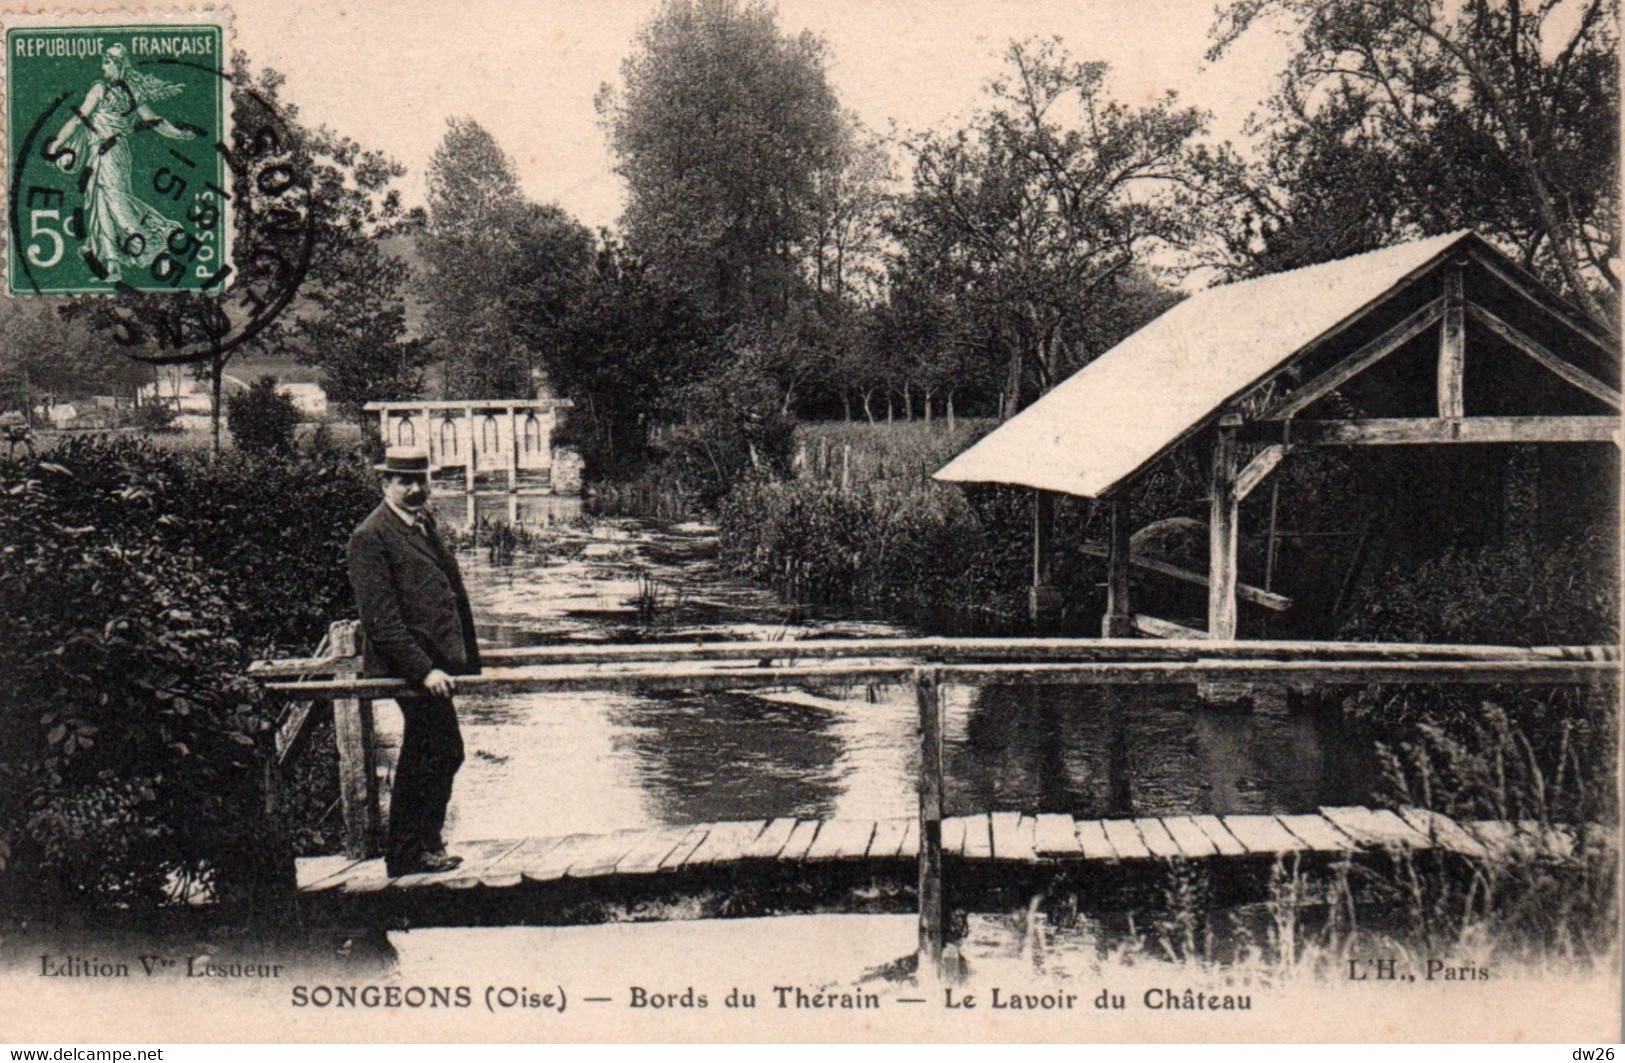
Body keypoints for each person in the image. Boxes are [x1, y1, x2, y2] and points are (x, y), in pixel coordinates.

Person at [347, 446, 481, 877]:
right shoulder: (370, 536)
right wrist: (424, 670)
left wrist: (461, 660)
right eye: (404, 481)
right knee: (434, 750)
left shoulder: (421, 525)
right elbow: (381, 621)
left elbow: (446, 593)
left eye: (421, 480)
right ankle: (407, 853)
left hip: (432, 666)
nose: (415, 489)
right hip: (407, 667)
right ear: (385, 484)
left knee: (441, 751)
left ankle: (424, 844)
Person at [44, 42, 196, 283]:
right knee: (102, 205)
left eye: (107, 63)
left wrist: (57, 143)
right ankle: (113, 264)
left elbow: (77, 120)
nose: (103, 68)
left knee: (116, 203)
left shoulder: (100, 89)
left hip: (110, 154)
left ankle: (160, 243)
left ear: (118, 65)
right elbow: (156, 122)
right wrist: (178, 133)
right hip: (109, 153)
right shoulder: (133, 92)